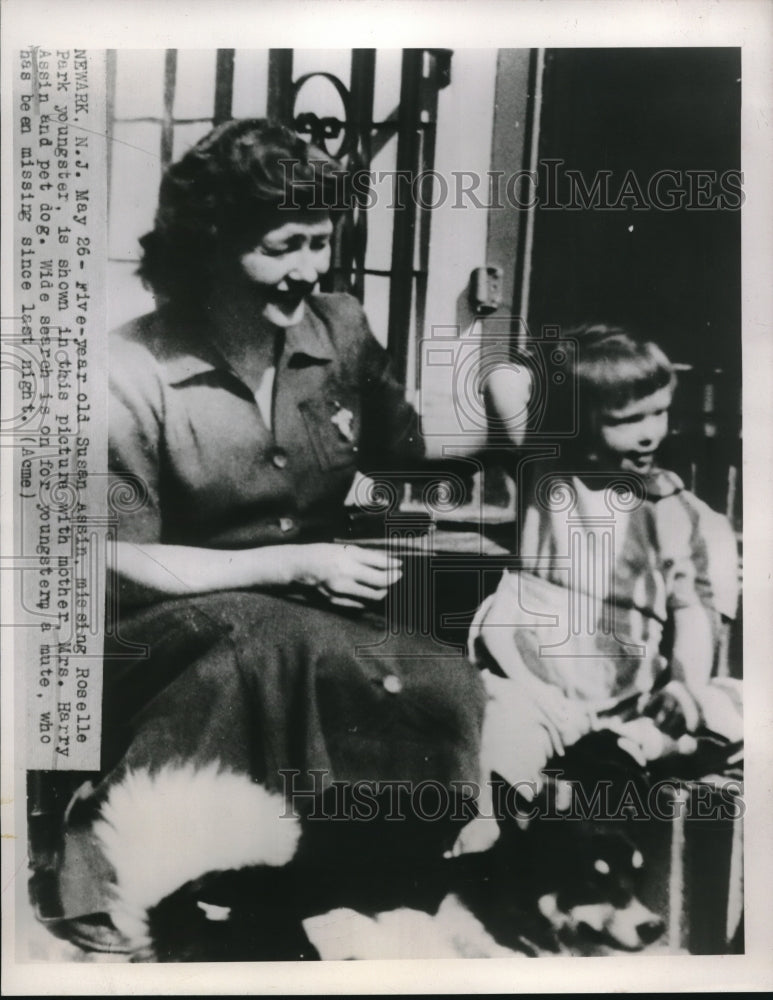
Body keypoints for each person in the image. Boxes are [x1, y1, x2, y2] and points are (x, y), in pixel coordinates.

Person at [39, 119, 488, 959]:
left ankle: (353, 876)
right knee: (262, 640)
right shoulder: (128, 370)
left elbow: (403, 467)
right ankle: (116, 871)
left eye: (321, 242)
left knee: (437, 678)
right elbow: (110, 553)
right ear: (209, 245)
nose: (310, 268)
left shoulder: (340, 330)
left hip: (301, 613)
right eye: (285, 245)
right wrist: (292, 561)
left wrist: (469, 475)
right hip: (156, 626)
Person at [457, 325, 741, 853]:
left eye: (658, 412)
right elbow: (501, 380)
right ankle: (491, 843)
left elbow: (695, 611)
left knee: (733, 704)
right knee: (496, 744)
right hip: (532, 688)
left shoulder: (679, 514)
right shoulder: (547, 473)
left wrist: (683, 684)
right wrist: (573, 370)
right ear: (579, 423)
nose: (649, 433)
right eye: (626, 420)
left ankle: (628, 753)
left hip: (628, 700)